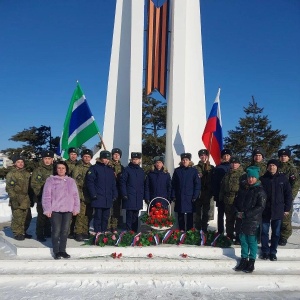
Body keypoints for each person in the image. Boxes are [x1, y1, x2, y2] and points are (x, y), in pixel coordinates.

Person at [42, 161, 80, 259]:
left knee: (65, 231)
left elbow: (76, 196)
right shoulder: (50, 180)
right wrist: (47, 209)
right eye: (59, 168)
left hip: (68, 210)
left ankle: (63, 250)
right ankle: (56, 251)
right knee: (56, 230)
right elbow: (46, 196)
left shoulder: (71, 181)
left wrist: (76, 208)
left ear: (66, 169)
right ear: (56, 169)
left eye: (63, 168)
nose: (61, 170)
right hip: (55, 210)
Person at [233, 166, 266, 273]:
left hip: (253, 221)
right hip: (242, 220)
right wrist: (237, 211)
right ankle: (243, 259)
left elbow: (260, 207)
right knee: (243, 240)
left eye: (253, 177)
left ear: (256, 178)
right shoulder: (243, 189)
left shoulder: (260, 191)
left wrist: (246, 214)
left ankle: (251, 261)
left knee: (252, 241)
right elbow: (236, 202)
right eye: (249, 177)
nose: (250, 179)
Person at [260, 159, 293, 261]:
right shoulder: (263, 179)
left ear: (277, 167)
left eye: (274, 165)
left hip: (278, 209)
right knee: (264, 232)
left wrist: (287, 208)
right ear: (267, 167)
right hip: (265, 209)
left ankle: (273, 251)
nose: (272, 167)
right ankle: (265, 251)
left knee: (276, 233)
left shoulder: (283, 179)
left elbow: (288, 195)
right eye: (270, 165)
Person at [86, 150, 118, 234]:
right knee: (98, 216)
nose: (106, 160)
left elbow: (113, 183)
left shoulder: (110, 169)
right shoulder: (94, 168)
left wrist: (115, 194)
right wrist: (93, 194)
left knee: (106, 216)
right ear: (101, 158)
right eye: (104, 158)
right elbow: (90, 182)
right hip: (98, 197)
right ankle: (98, 232)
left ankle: (104, 231)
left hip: (108, 197)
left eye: (108, 159)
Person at [171, 153, 201, 231]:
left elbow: (197, 185)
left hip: (190, 197)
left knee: (190, 215)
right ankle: (181, 231)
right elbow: (173, 184)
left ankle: (189, 231)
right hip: (179, 196)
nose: (185, 161)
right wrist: (173, 195)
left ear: (189, 161)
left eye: (186, 160)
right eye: (183, 160)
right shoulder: (177, 171)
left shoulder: (194, 171)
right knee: (180, 214)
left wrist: (195, 196)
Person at [5, 155, 32, 240]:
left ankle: (23, 231)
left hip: (26, 198)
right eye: (18, 162)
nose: (21, 164)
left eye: (22, 162)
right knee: (17, 217)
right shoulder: (11, 174)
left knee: (27, 216)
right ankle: (17, 233)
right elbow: (9, 188)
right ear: (15, 163)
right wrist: (14, 199)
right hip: (16, 198)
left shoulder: (27, 173)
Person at [219, 156, 245, 243]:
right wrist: (221, 198)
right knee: (229, 219)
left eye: (236, 163)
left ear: (239, 164)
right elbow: (222, 187)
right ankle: (229, 235)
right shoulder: (227, 174)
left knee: (239, 220)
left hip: (238, 200)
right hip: (228, 200)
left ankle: (238, 237)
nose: (234, 165)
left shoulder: (243, 175)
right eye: (232, 163)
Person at [277, 149, 300, 246]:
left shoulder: (292, 169)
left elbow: (295, 185)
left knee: (285, 218)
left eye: (285, 156)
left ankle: (284, 237)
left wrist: (290, 198)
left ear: (288, 157)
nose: (283, 157)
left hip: (286, 197)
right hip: (276, 197)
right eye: (282, 156)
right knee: (277, 218)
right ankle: (277, 235)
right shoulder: (275, 166)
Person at [31, 150, 54, 242]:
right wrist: (40, 194)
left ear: (52, 159)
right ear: (43, 159)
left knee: (50, 216)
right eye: (45, 158)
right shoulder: (38, 170)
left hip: (53, 198)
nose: (47, 160)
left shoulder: (55, 169)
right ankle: (40, 234)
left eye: (49, 158)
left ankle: (48, 232)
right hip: (41, 197)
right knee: (41, 217)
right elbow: (34, 184)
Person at [119, 152, 145, 232]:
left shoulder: (141, 171)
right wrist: (124, 194)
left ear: (139, 160)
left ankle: (135, 232)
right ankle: (129, 232)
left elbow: (143, 184)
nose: (135, 161)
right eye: (133, 159)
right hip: (129, 196)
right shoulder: (127, 170)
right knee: (129, 215)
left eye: (136, 159)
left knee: (136, 215)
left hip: (138, 197)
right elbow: (122, 182)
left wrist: (143, 195)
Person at [72, 149, 94, 241]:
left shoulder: (92, 168)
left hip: (90, 195)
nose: (87, 158)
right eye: (85, 156)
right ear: (82, 157)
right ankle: (78, 232)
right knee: (80, 215)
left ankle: (85, 231)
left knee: (88, 214)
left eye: (88, 157)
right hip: (80, 194)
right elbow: (75, 182)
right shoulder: (78, 167)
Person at [211, 149, 232, 234]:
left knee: (230, 216)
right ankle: (220, 232)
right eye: (224, 155)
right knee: (220, 215)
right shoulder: (218, 168)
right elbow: (215, 183)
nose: (226, 157)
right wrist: (216, 195)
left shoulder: (233, 167)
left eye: (228, 155)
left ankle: (229, 233)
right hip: (220, 196)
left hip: (230, 197)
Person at [194, 149, 214, 232]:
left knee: (206, 212)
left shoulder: (211, 167)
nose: (203, 157)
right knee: (197, 212)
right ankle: (198, 228)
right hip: (199, 192)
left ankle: (205, 228)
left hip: (207, 192)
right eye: (201, 155)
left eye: (205, 155)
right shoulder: (195, 167)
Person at [108, 148, 124, 232]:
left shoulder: (122, 167)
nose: (116, 156)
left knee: (116, 209)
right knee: (108, 209)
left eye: (118, 155)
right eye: (115, 154)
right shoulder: (108, 165)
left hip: (118, 190)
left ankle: (114, 226)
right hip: (109, 190)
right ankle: (107, 225)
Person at [65, 147, 79, 238]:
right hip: (67, 191)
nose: (73, 156)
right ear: (69, 155)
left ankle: (74, 231)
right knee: (67, 212)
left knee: (76, 213)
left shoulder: (79, 164)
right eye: (71, 154)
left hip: (77, 192)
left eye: (75, 154)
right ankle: (67, 231)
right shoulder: (64, 164)